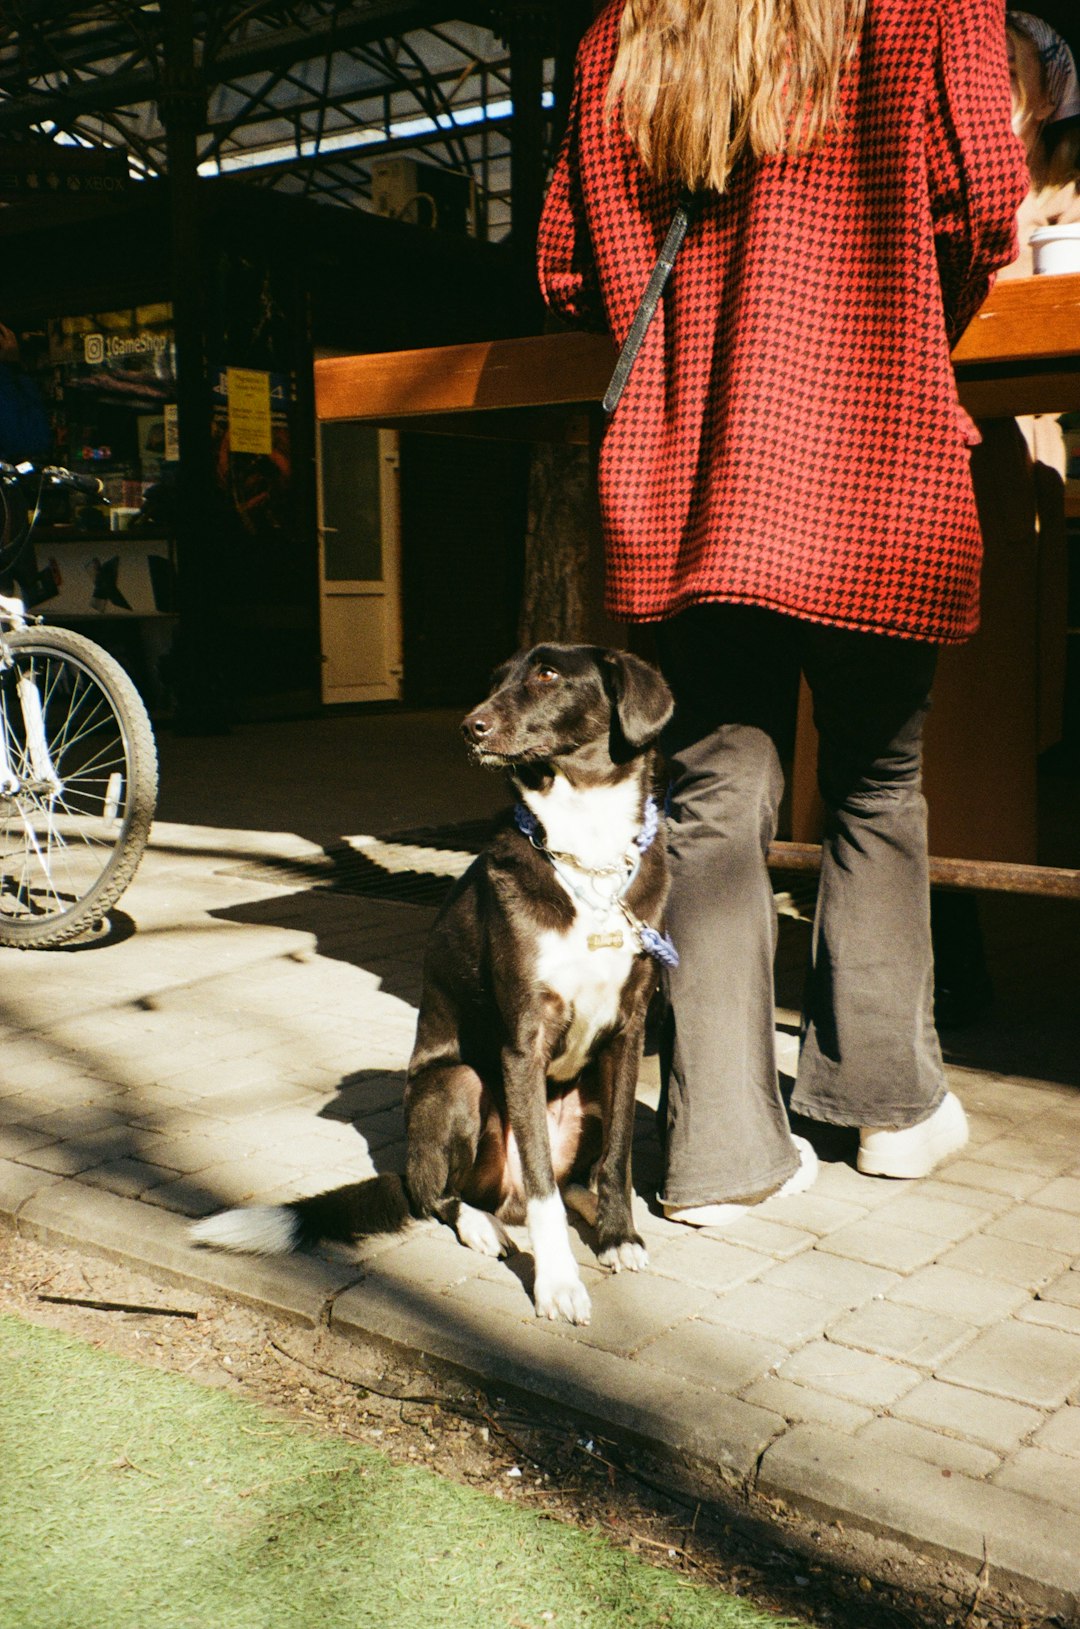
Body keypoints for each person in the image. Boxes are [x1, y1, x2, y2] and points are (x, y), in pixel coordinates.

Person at [537, 0, 1029, 1225]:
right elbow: (983, 206)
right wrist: (896, 325)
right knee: (874, 783)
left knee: (713, 801)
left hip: (686, 477)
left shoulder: (617, 40)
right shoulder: (930, 8)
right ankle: (890, 1110)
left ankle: (717, 1157)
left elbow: (560, 266)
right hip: (870, 445)